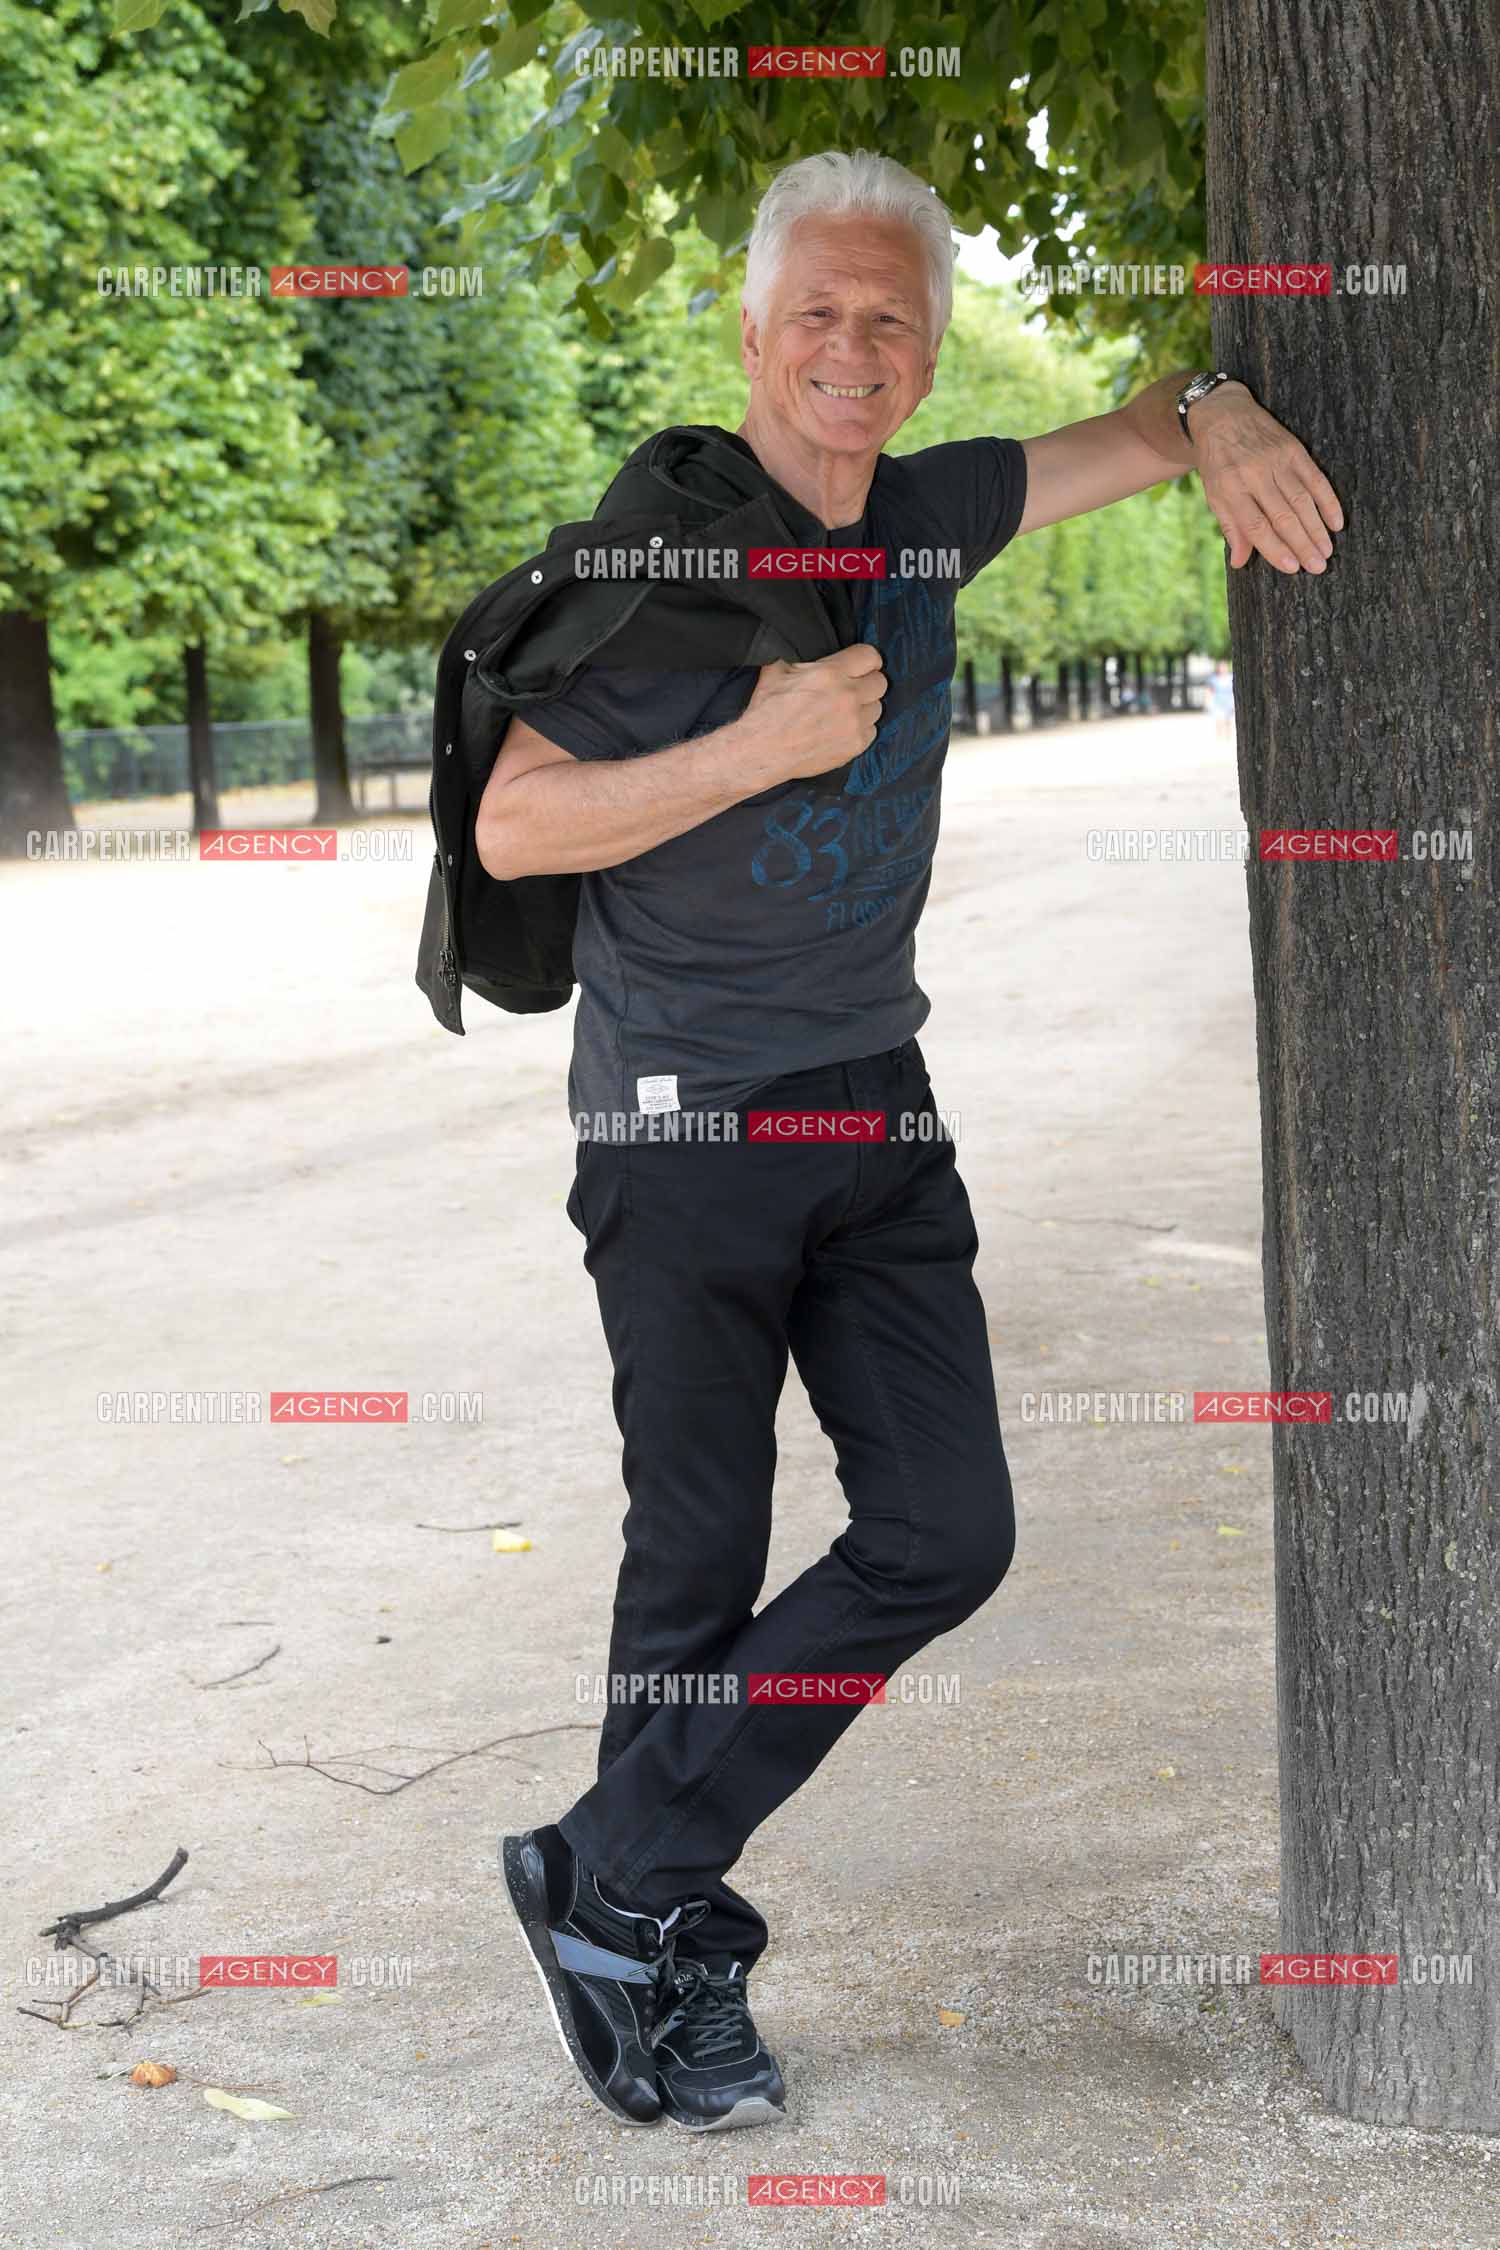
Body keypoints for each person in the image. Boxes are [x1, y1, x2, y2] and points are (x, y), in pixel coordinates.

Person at [484, 148, 1343, 2134]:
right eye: (819, 314)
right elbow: (516, 821)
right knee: (694, 1561)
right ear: (753, 329)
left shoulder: (940, 511)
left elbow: (1132, 433)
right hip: (680, 1131)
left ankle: (607, 1876)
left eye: (890, 317)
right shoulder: (658, 554)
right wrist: (753, 746)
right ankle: (651, 1941)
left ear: (927, 340)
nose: (852, 350)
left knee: (946, 1529)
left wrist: (1209, 411)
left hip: (880, 1109)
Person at [1210, 656, 1236, 742]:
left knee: (1228, 719)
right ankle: (1219, 737)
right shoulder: (1214, 678)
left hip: (1228, 701)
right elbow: (1210, 690)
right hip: (1218, 701)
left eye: (1224, 667)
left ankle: (1228, 736)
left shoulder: (1230, 677)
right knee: (1219, 719)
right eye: (1221, 667)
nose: (1222, 669)